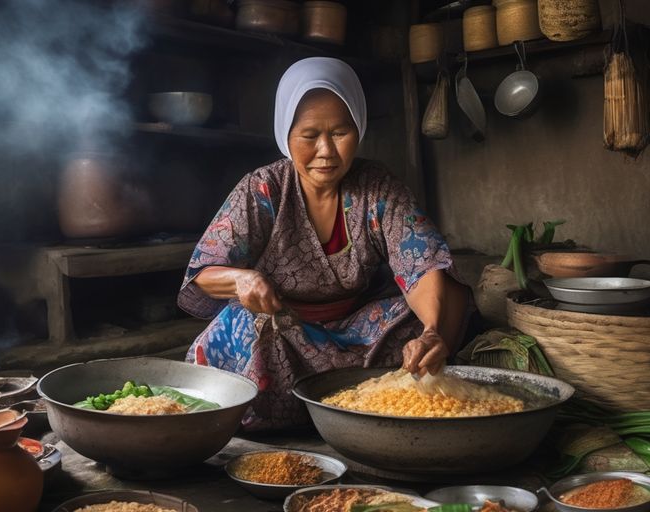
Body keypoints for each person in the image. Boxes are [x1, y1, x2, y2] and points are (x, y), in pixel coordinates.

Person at [178, 57, 468, 430]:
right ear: (286, 133)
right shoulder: (263, 188)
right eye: (310, 135)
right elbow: (203, 272)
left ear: (359, 129)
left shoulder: (377, 186)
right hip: (282, 328)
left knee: (438, 310)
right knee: (243, 324)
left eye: (340, 132)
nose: (326, 151)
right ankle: (303, 413)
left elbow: (420, 262)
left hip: (354, 332)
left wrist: (431, 331)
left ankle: (353, 401)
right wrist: (240, 280)